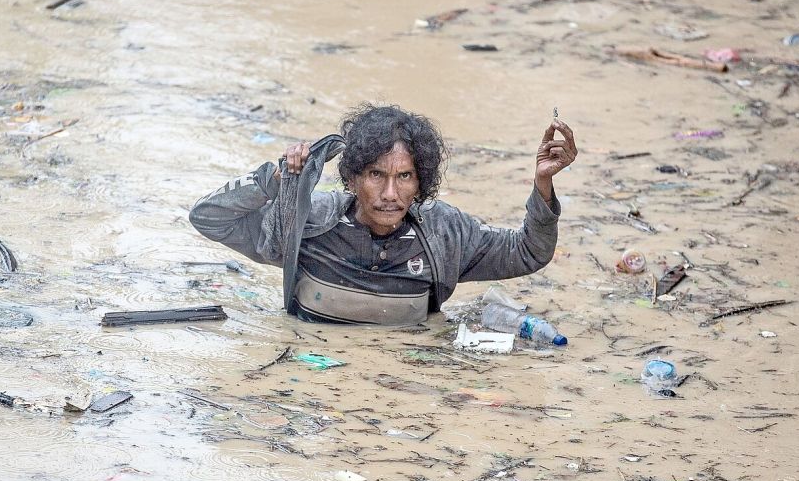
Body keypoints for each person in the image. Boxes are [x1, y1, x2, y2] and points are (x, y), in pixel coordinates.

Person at [189, 104, 577, 325]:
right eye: (377, 175)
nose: (391, 194)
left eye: (404, 177)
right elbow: (207, 218)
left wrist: (543, 184)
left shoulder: (445, 234)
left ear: (420, 180)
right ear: (353, 177)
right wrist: (271, 181)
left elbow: (529, 252)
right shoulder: (308, 222)